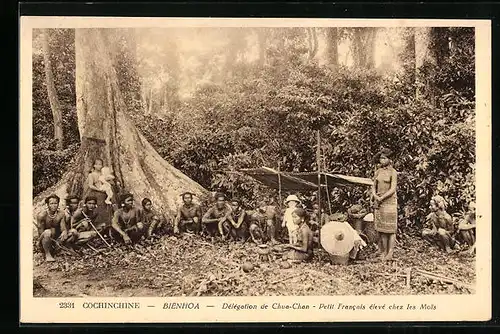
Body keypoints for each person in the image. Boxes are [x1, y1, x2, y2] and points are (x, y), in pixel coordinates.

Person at [372, 148, 398, 261]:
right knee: (382, 228)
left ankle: (390, 253)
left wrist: (382, 197)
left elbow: (393, 189)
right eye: (381, 158)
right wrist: (375, 196)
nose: (382, 160)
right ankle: (383, 252)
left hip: (390, 202)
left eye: (384, 158)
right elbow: (373, 186)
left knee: (390, 229)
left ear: (389, 159)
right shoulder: (378, 171)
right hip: (379, 202)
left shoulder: (393, 172)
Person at [85, 159, 115, 229]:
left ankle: (107, 226)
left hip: (104, 194)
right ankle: (97, 226)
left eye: (100, 164)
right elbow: (91, 185)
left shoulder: (103, 174)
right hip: (96, 194)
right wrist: (99, 190)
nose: (99, 166)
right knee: (97, 209)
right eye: (97, 164)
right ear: (94, 165)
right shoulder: (91, 174)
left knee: (106, 209)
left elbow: (110, 180)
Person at [36, 194, 66, 262]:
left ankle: (57, 250)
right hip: (44, 240)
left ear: (58, 204)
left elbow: (63, 228)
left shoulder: (61, 214)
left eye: (56, 203)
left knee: (70, 233)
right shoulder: (42, 215)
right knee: (48, 232)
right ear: (47, 204)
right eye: (51, 203)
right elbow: (41, 234)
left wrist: (64, 231)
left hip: (56, 239)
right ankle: (47, 254)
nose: (54, 205)